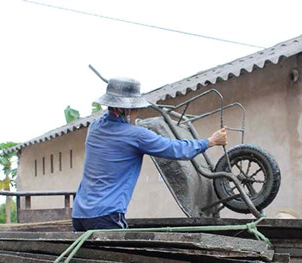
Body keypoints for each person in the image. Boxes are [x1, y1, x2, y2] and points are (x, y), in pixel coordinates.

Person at [72, 77, 228, 231]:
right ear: (122, 110)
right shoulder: (136, 135)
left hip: (79, 215)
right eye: (135, 109)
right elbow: (174, 149)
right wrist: (210, 141)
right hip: (105, 216)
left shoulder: (94, 128)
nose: (137, 113)